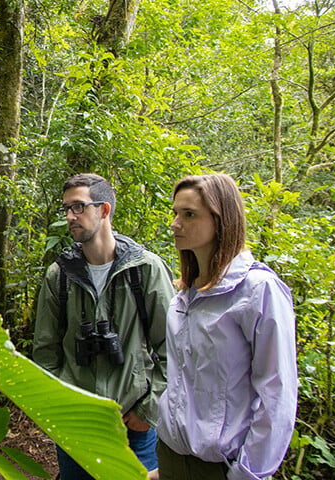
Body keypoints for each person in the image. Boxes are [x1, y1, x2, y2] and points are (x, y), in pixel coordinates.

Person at [33, 173, 175, 480]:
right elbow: (45, 351)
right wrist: (59, 411)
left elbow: (175, 347)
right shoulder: (59, 275)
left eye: (79, 207)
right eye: (66, 209)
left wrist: (148, 411)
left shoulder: (145, 269)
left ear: (104, 210)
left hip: (132, 428)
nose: (70, 216)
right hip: (76, 428)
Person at [156, 173, 297, 480]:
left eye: (189, 214)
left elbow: (278, 395)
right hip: (170, 456)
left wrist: (247, 474)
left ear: (221, 220)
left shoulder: (258, 291)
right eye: (175, 213)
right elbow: (181, 381)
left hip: (222, 467)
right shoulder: (186, 294)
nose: (175, 224)